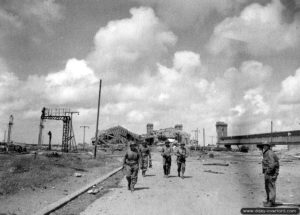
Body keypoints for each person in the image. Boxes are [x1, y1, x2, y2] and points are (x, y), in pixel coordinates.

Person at [261, 141, 279, 207]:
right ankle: (269, 201)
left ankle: (271, 202)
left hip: (270, 173)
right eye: (263, 145)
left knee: (271, 187)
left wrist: (268, 172)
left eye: (265, 145)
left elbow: (272, 164)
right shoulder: (266, 152)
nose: (264, 146)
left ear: (268, 146)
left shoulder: (270, 153)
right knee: (267, 187)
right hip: (268, 172)